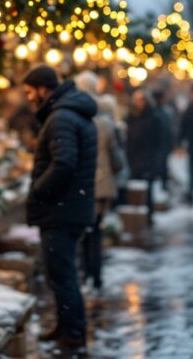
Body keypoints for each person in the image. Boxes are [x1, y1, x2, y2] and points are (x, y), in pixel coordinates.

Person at [23, 65, 97, 349]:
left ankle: (73, 333)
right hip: (69, 208)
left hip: (61, 210)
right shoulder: (67, 113)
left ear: (44, 89)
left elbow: (64, 163)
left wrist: (38, 190)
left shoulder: (61, 117)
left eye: (31, 91)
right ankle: (66, 326)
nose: (30, 98)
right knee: (61, 273)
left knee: (63, 274)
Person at [74, 73, 122, 290]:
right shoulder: (105, 122)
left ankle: (86, 273)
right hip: (104, 186)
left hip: (85, 184)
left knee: (86, 231)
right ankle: (97, 273)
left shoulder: (79, 119)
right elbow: (116, 157)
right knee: (97, 231)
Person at [126, 89, 161, 225]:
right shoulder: (130, 116)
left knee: (148, 190)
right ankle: (136, 218)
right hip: (134, 158)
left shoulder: (154, 116)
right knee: (135, 191)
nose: (141, 103)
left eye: (143, 100)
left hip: (148, 158)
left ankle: (148, 217)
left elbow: (158, 140)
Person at [152, 89, 176, 190]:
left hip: (160, 144)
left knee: (160, 166)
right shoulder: (165, 112)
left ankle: (161, 187)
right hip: (161, 144)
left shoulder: (163, 112)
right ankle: (162, 187)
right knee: (162, 166)